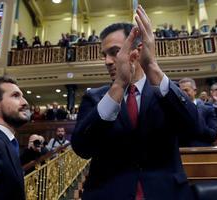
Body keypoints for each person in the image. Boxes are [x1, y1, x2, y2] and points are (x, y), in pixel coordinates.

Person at [71, 5, 201, 200]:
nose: (107, 61)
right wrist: (118, 86)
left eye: (114, 52)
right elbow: (82, 148)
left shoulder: (165, 92)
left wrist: (153, 68)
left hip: (166, 192)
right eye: (104, 55)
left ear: (138, 50)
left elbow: (194, 128)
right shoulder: (95, 98)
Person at [179, 78, 217, 146]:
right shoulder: (175, 109)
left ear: (195, 91)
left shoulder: (208, 109)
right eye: (181, 91)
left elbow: (213, 135)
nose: (183, 93)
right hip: (181, 151)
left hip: (203, 150)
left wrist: (198, 121)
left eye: (186, 90)